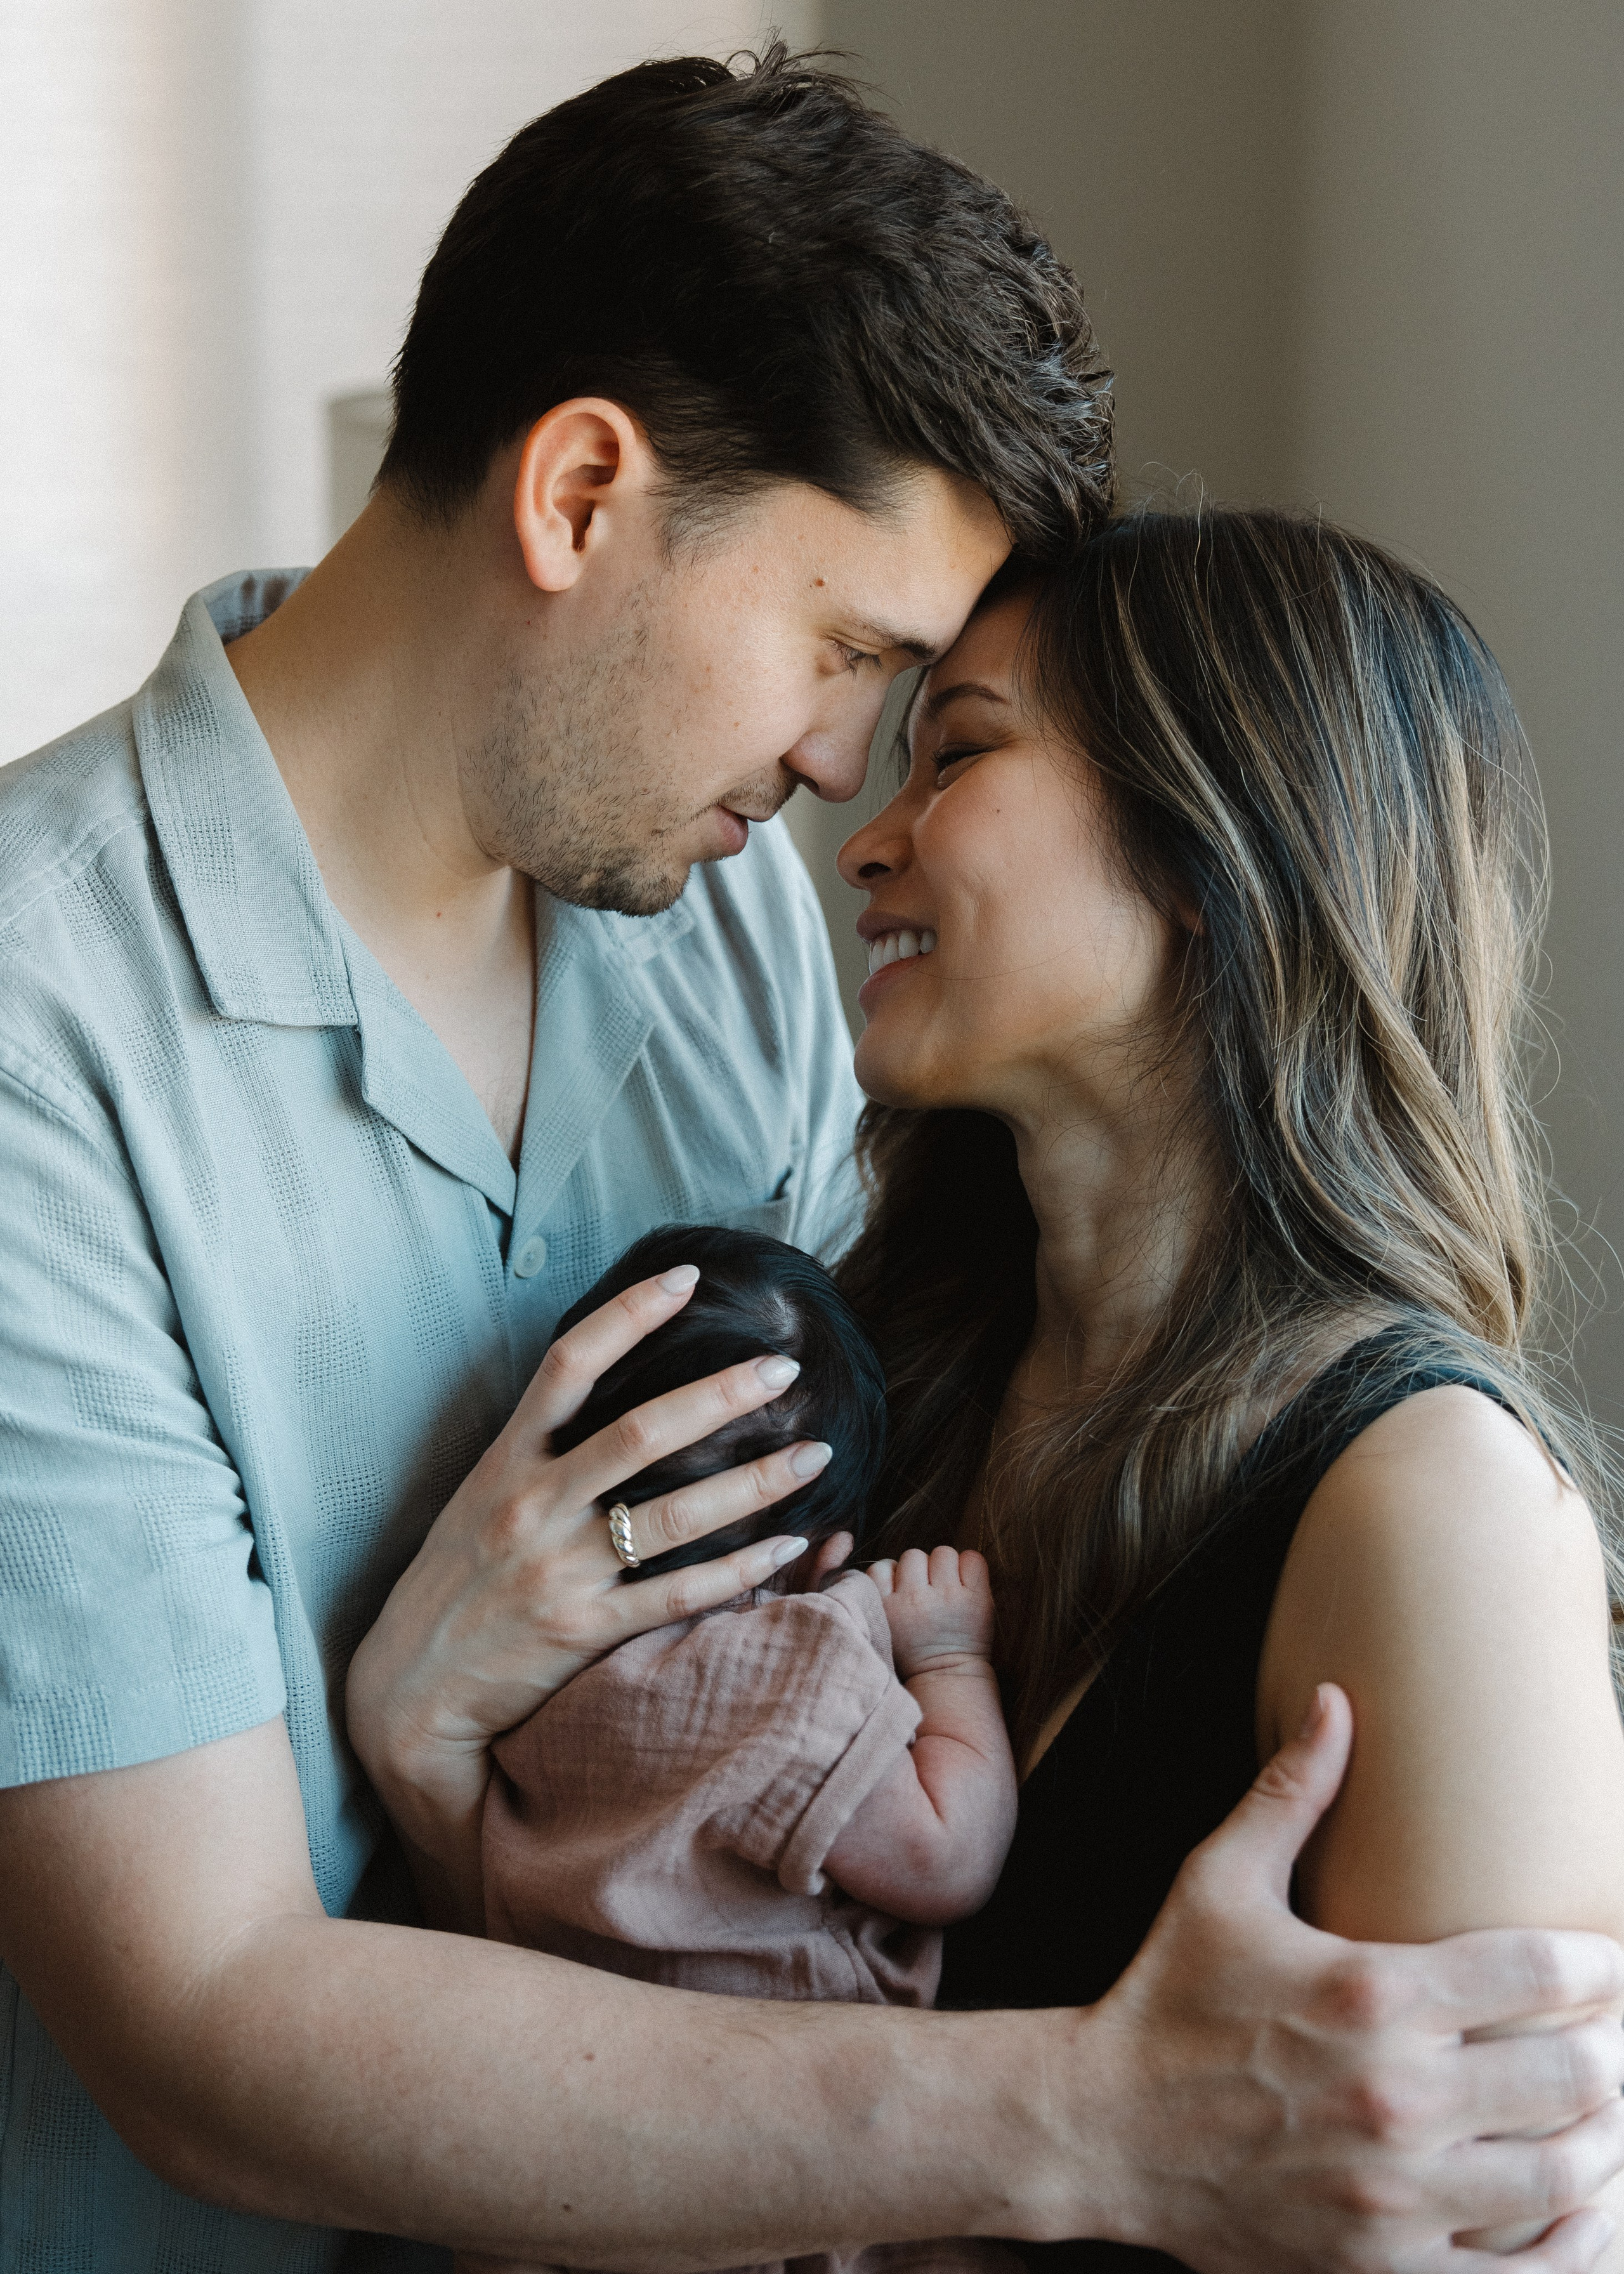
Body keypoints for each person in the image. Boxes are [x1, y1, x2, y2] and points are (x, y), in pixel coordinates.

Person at [0, 41, 1620, 2274]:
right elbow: (195, 2019)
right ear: (581, 493)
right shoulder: (39, 1031)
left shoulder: (732, 931)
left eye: (938, 714)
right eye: (853, 650)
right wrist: (1102, 2118)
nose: (851, 778)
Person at [830, 506, 1624, 2270]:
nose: (867, 841)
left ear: (1211, 850)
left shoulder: (1434, 1517)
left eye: (958, 754)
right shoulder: (890, 1382)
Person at [475, 1225, 1019, 2274]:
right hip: (763, 2177)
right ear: (829, 1551)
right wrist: (951, 1660)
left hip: (563, 2152)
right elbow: (945, 1859)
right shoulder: (792, 1669)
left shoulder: (529, 1660)